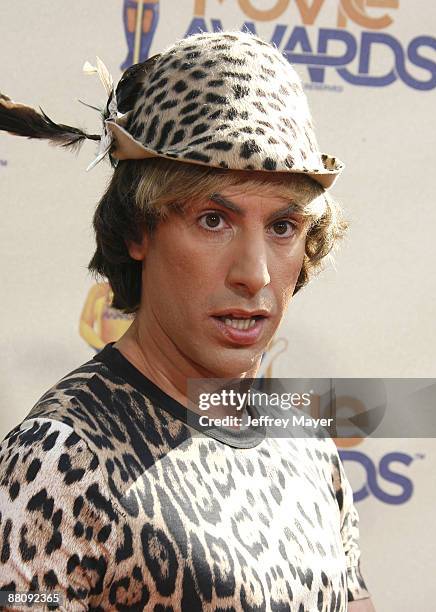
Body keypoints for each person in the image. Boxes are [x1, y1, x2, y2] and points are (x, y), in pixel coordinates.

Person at [0, 31, 376, 611]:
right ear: (137, 230)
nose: (254, 274)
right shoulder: (60, 456)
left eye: (283, 227)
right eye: (211, 219)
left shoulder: (304, 440)